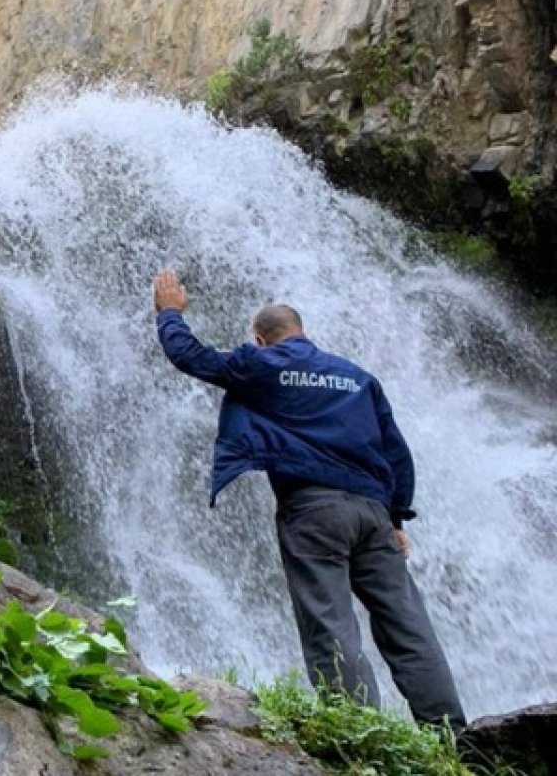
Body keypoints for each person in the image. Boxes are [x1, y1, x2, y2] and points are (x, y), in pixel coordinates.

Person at [151, 268, 466, 729]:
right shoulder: (357, 378)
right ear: (302, 331)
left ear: (260, 340)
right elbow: (396, 452)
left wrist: (171, 314)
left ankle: (360, 736)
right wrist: (396, 518)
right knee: (409, 627)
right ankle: (455, 737)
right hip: (374, 514)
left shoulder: (263, 365)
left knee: (331, 626)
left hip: (314, 510)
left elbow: (191, 357)